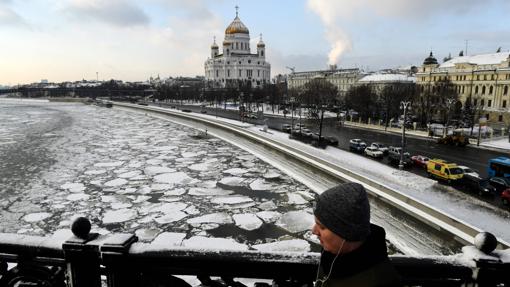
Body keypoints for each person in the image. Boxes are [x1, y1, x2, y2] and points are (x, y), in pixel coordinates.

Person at [312, 182, 401, 287]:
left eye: (322, 227)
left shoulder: (379, 281)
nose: (314, 231)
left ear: (346, 233)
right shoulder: (334, 252)